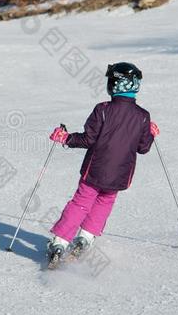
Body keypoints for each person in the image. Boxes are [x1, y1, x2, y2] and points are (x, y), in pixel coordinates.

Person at [46, 62, 159, 265]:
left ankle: (60, 242)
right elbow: (143, 148)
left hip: (95, 171)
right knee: (105, 202)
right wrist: (150, 133)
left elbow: (88, 139)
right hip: (120, 175)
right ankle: (86, 237)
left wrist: (65, 138)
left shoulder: (103, 110)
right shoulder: (143, 116)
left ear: (115, 84)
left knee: (81, 203)